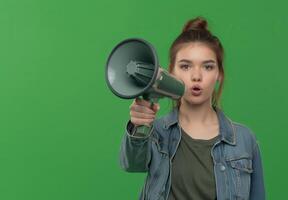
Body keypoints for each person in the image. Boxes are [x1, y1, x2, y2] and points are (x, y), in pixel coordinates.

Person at [119, 16, 265, 200]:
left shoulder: (244, 140)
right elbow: (131, 164)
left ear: (219, 74)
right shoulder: (154, 132)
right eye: (186, 66)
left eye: (208, 67)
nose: (196, 76)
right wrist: (138, 126)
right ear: (171, 72)